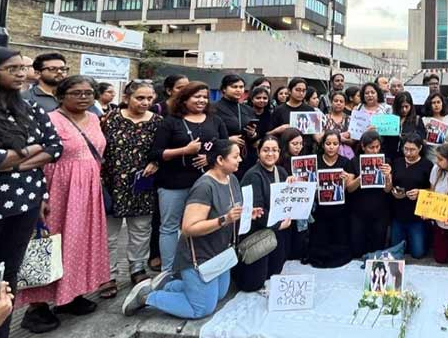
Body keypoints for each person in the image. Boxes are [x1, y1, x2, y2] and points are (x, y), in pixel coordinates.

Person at [122, 140, 262, 319]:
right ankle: (146, 296)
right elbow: (189, 228)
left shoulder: (231, 179)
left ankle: (167, 285)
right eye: (235, 156)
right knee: (202, 308)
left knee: (219, 295)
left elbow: (231, 210)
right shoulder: (204, 186)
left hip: (220, 252)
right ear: (220, 159)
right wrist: (224, 220)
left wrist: (246, 214)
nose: (240, 160)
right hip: (199, 256)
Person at [0, 48, 63, 338]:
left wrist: (12, 160)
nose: (21, 73)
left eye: (22, 68)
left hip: (26, 202)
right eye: (12, 68)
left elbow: (54, 146)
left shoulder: (29, 107)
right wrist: (27, 152)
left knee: (7, 273)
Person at [18, 76, 110, 333]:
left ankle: (70, 295)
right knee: (45, 244)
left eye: (89, 93)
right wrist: (39, 196)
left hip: (88, 191)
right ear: (60, 96)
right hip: (57, 190)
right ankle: (35, 306)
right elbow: (34, 159)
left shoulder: (94, 119)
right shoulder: (47, 118)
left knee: (79, 243)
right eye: (76, 93)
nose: (84, 97)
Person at [150, 81, 229, 272]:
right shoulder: (170, 122)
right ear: (184, 99)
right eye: (196, 96)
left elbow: (224, 147)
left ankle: (200, 264)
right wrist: (184, 150)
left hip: (206, 184)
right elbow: (155, 153)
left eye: (204, 97)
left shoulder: (215, 120)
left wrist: (209, 158)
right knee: (169, 227)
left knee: (205, 224)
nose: (201, 100)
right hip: (173, 183)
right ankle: (169, 271)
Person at [99, 80, 161, 299]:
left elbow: (162, 149)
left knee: (141, 230)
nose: (145, 102)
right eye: (140, 98)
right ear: (127, 98)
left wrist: (156, 163)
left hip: (142, 184)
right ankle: (107, 274)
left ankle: (137, 268)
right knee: (109, 234)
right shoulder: (110, 119)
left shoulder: (157, 121)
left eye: (149, 98)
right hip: (112, 182)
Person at [233, 136, 292, 292]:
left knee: (275, 271)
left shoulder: (281, 172)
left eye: (274, 150)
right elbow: (257, 210)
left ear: (279, 152)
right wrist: (279, 224)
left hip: (276, 230)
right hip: (257, 232)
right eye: (266, 150)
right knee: (252, 284)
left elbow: (287, 199)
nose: (270, 154)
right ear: (258, 152)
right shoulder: (253, 175)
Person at [148, 77, 188, 273]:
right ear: (169, 90)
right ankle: (159, 258)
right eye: (180, 87)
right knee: (164, 219)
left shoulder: (191, 114)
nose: (184, 91)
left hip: (188, 176)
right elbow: (154, 147)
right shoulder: (159, 111)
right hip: (163, 173)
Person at [308, 131, 355, 268]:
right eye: (328, 143)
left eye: (335, 144)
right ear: (322, 144)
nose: (331, 147)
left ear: (339, 145)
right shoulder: (315, 161)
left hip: (340, 208)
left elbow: (348, 188)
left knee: (339, 236)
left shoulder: (345, 162)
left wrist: (346, 180)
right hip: (320, 208)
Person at [347, 131, 392, 257]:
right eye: (371, 147)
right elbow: (349, 188)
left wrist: (388, 176)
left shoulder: (385, 161)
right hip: (358, 211)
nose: (375, 150)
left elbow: (388, 189)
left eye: (377, 147)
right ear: (363, 146)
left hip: (379, 211)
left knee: (377, 249)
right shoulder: (354, 162)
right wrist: (361, 178)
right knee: (357, 250)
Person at [388, 135, 433, 259]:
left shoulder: (427, 165)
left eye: (412, 149)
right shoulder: (397, 162)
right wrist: (394, 190)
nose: (408, 152)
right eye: (406, 149)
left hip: (417, 216)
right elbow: (390, 184)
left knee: (417, 253)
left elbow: (433, 190)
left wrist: (420, 192)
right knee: (395, 251)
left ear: (420, 148)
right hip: (398, 214)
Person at [213, 75, 257, 177]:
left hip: (246, 156)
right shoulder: (213, 108)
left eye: (241, 87)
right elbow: (209, 134)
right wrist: (228, 139)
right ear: (224, 89)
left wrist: (252, 134)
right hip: (224, 157)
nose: (238, 90)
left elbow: (254, 137)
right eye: (234, 87)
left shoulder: (247, 109)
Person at [278, 128, 309, 261]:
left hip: (301, 205)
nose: (298, 147)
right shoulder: (279, 162)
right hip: (285, 207)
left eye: (300, 144)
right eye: (294, 144)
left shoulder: (304, 160)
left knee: (300, 236)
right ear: (286, 143)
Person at [268, 79, 315, 144]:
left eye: (304, 91)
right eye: (298, 90)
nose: (301, 93)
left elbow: (314, 133)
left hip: (306, 150)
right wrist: (279, 130)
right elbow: (268, 134)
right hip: (284, 150)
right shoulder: (279, 110)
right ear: (289, 91)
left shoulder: (310, 110)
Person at [420, 92, 448, 161]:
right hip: (430, 157)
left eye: (438, 102)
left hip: (447, 157)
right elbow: (421, 141)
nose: (436, 105)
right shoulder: (424, 120)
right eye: (433, 103)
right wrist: (425, 135)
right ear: (429, 105)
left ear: (442, 104)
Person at [393, 91, 426, 159]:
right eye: (401, 107)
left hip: (410, 157)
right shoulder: (390, 120)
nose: (404, 110)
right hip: (393, 157)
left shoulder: (417, 120)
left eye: (406, 106)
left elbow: (421, 139)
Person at [323, 91, 354, 159]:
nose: (338, 103)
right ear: (331, 102)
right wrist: (339, 137)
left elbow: (353, 140)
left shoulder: (350, 119)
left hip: (346, 156)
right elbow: (320, 138)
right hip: (326, 155)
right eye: (336, 101)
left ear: (345, 104)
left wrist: (344, 140)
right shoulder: (324, 118)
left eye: (341, 101)